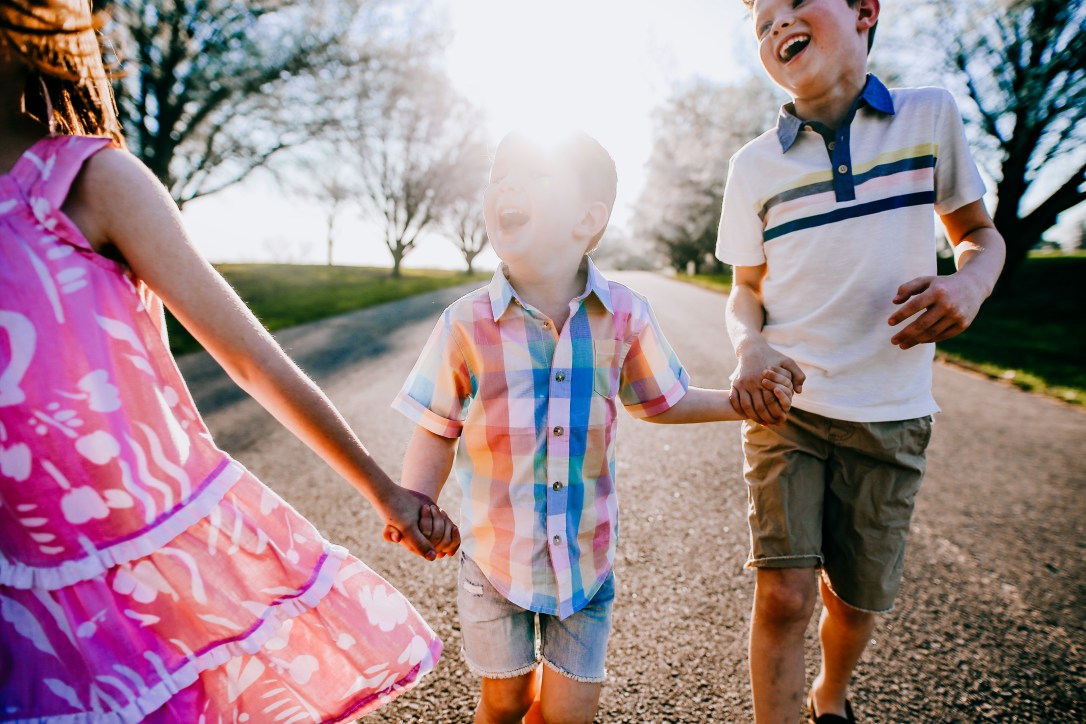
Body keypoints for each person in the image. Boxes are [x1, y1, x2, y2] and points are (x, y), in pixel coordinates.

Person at [0, 0, 457, 719]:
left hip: (137, 588)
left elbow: (251, 362)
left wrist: (385, 491)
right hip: (18, 607)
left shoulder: (86, 184)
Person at [391, 129, 794, 724]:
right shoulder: (466, 323)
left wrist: (740, 403)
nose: (504, 184)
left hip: (584, 561)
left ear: (588, 218)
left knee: (570, 715)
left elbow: (664, 400)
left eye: (530, 174)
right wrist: (416, 501)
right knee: (502, 704)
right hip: (494, 559)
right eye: (499, 174)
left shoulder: (624, 314)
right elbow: (435, 425)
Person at [719, 1, 1007, 722]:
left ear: (864, 10)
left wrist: (968, 282)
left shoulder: (929, 116)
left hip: (892, 411)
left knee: (854, 599)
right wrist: (749, 345)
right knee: (782, 594)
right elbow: (743, 293)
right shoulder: (753, 165)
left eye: (793, 3)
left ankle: (831, 692)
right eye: (761, 24)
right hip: (787, 405)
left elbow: (977, 234)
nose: (776, 24)